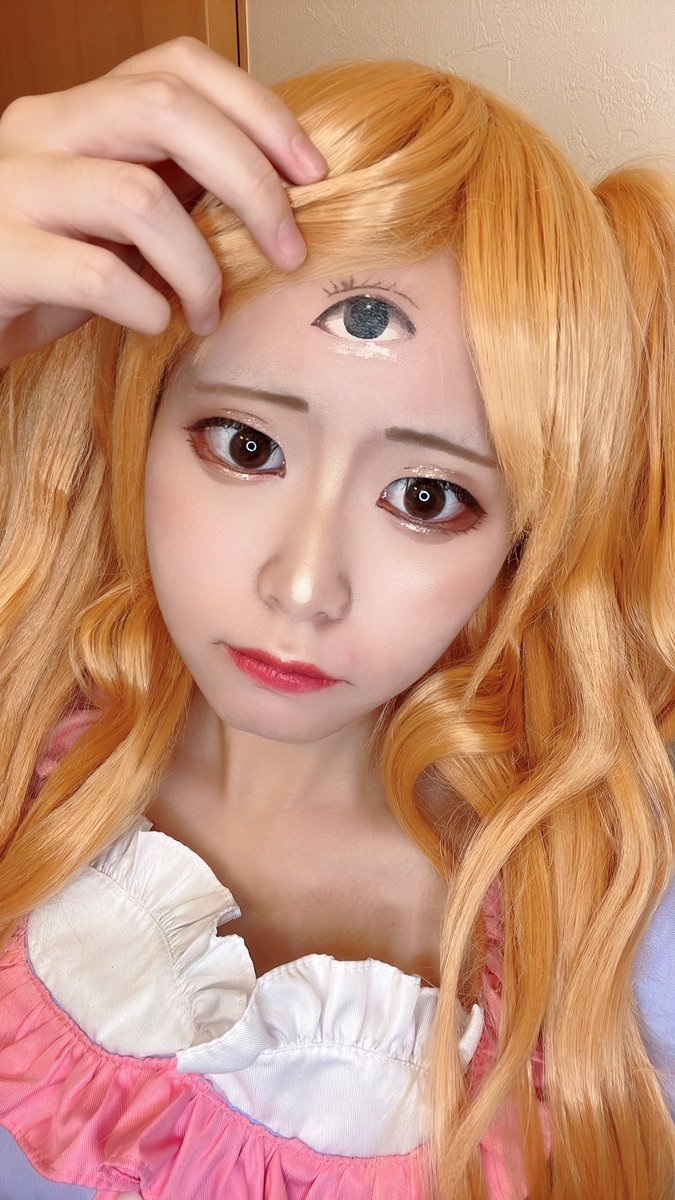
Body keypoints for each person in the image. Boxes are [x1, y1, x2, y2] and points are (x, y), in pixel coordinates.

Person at [0, 35, 672, 1200]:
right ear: (137, 417)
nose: (304, 586)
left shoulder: (621, 924)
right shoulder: (17, 732)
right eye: (246, 444)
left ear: (526, 534)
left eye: (428, 498)